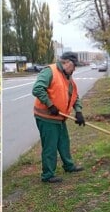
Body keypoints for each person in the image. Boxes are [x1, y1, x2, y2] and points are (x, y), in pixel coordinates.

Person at [32, 52, 85, 183]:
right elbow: (37, 89)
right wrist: (50, 105)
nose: (75, 69)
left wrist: (78, 112)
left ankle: (69, 166)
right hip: (46, 117)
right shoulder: (50, 72)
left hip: (60, 118)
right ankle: (48, 175)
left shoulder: (68, 77)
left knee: (64, 142)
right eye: (74, 66)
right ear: (67, 63)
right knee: (50, 146)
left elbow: (74, 96)